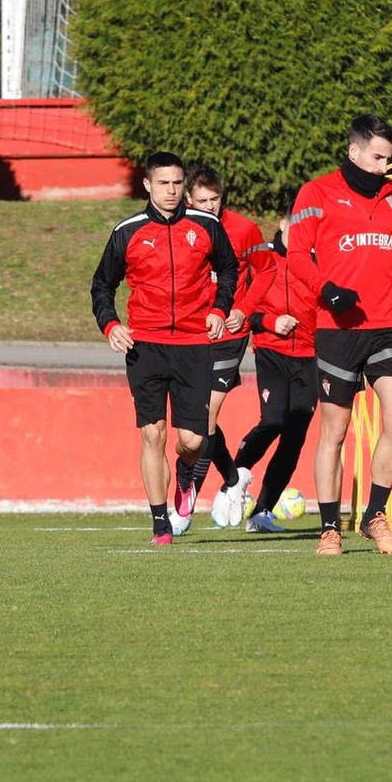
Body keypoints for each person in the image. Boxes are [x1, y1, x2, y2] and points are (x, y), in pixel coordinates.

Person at [286, 114, 392, 556]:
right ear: (354, 151)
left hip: (388, 324)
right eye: (376, 157)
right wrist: (325, 290)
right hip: (338, 329)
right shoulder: (316, 193)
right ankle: (330, 528)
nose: (383, 167)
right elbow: (296, 255)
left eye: (388, 159)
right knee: (335, 429)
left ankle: (375, 515)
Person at [89, 152, 238, 546]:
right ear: (148, 185)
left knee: (191, 440)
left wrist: (220, 309)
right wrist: (111, 324)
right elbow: (102, 286)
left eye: (176, 183)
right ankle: (160, 524)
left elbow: (229, 269)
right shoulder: (128, 231)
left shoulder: (207, 225)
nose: (171, 190)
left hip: (193, 344)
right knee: (152, 434)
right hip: (146, 345)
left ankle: (186, 474)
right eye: (164, 183)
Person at [177, 166, 277, 531]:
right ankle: (234, 479)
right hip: (191, 333)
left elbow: (267, 272)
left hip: (230, 333)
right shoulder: (181, 228)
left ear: (223, 197)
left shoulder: (243, 229)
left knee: (204, 419)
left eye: (214, 200)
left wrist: (243, 310)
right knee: (193, 424)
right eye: (201, 201)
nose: (209, 207)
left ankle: (184, 505)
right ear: (189, 200)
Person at [231, 218, 318, 533]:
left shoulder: (320, 259)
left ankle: (262, 512)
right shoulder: (262, 259)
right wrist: (269, 321)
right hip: (271, 350)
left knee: (294, 437)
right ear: (283, 223)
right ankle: (234, 479)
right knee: (273, 421)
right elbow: (240, 309)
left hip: (311, 357)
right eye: (297, 224)